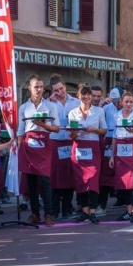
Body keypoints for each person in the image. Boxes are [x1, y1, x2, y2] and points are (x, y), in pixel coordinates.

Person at [17, 75, 60, 226]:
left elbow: (56, 127)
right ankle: (35, 214)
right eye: (36, 86)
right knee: (31, 182)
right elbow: (21, 131)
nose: (39, 89)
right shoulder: (23, 107)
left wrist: (43, 125)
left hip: (44, 143)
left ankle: (49, 213)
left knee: (45, 180)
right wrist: (18, 149)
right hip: (29, 145)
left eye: (41, 86)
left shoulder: (51, 106)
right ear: (29, 88)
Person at [69, 85, 107, 224]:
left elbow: (104, 130)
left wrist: (94, 129)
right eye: (83, 95)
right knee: (80, 180)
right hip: (79, 146)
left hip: (93, 146)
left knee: (93, 179)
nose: (86, 97)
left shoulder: (99, 111)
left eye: (88, 95)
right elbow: (72, 135)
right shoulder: (72, 112)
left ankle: (93, 211)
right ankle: (84, 211)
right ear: (78, 96)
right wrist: (73, 132)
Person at [48, 74, 80, 220]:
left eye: (61, 88)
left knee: (69, 177)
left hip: (70, 142)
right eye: (56, 90)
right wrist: (49, 101)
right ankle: (54, 209)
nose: (59, 92)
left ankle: (67, 208)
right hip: (54, 142)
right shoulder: (48, 103)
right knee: (54, 177)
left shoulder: (76, 102)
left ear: (65, 87)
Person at [111, 92, 133, 223]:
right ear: (121, 102)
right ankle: (129, 210)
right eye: (126, 102)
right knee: (124, 182)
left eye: (131, 102)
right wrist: (112, 157)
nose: (129, 104)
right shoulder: (117, 115)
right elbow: (115, 135)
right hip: (120, 149)